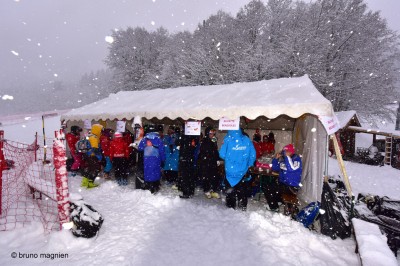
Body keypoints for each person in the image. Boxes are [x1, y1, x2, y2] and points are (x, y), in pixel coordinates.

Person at [219, 129, 256, 211]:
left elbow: (221, 154)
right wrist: (249, 164)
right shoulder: (247, 140)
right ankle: (243, 206)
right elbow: (253, 155)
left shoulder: (227, 138)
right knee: (242, 189)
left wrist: (230, 159)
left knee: (230, 189)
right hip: (242, 170)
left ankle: (231, 206)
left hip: (230, 170)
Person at [264, 144, 302, 212]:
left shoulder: (296, 159)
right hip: (283, 183)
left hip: (291, 186)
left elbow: (291, 168)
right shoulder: (284, 160)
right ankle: (275, 204)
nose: (284, 153)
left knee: (271, 188)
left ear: (291, 152)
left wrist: (287, 157)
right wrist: (276, 159)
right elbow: (274, 168)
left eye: (286, 151)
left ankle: (275, 206)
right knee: (267, 185)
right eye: (284, 151)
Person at [138, 125, 165, 193]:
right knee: (156, 172)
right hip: (156, 160)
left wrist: (146, 146)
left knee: (148, 173)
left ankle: (148, 187)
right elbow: (162, 151)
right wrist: (163, 159)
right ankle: (155, 187)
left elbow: (139, 148)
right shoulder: (158, 139)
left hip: (147, 160)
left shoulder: (144, 139)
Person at [178, 126, 200, 199]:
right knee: (189, 176)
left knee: (186, 176)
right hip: (189, 159)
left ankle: (186, 192)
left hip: (186, 159)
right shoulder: (193, 137)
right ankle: (190, 191)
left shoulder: (186, 136)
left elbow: (178, 143)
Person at [199, 127, 221, 199]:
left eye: (213, 133)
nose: (213, 135)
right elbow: (203, 152)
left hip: (213, 162)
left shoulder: (213, 140)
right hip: (206, 162)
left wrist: (217, 159)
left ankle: (213, 190)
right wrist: (206, 159)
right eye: (211, 133)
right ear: (208, 133)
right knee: (206, 176)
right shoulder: (204, 141)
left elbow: (215, 151)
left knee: (214, 176)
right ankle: (206, 190)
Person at [81, 124, 103, 189]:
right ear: (97, 130)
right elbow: (95, 149)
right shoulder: (94, 138)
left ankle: (84, 182)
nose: (101, 132)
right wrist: (99, 157)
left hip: (87, 155)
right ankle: (90, 183)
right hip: (92, 156)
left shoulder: (90, 136)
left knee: (90, 168)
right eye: (100, 130)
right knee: (95, 169)